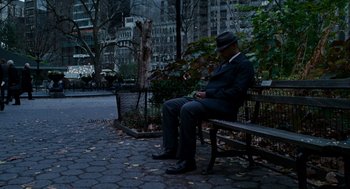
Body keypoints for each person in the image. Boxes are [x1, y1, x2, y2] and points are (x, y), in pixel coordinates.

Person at [152, 31, 255, 174]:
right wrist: (202, 93)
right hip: (209, 100)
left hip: (225, 106)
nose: (221, 53)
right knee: (169, 106)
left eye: (223, 49)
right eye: (220, 50)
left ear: (234, 46)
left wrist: (208, 94)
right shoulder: (225, 63)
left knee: (188, 109)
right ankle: (171, 149)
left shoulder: (244, 65)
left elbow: (236, 92)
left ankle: (187, 161)